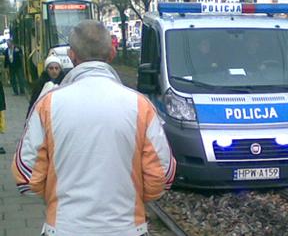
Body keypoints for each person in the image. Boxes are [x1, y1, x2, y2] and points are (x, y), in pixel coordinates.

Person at [11, 20, 176, 236]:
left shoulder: (47, 105)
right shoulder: (140, 106)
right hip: (126, 228)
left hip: (64, 228)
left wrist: (57, 195)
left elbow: (26, 175)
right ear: (113, 52)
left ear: (71, 55)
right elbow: (162, 176)